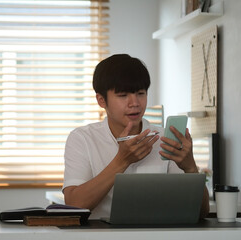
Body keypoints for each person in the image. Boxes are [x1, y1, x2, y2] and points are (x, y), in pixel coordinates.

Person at [62, 54, 209, 219]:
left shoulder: (164, 139)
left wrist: (190, 168)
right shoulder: (82, 139)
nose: (135, 103)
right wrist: (122, 161)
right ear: (101, 100)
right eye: (123, 95)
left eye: (140, 93)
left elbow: (201, 213)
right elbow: (73, 205)